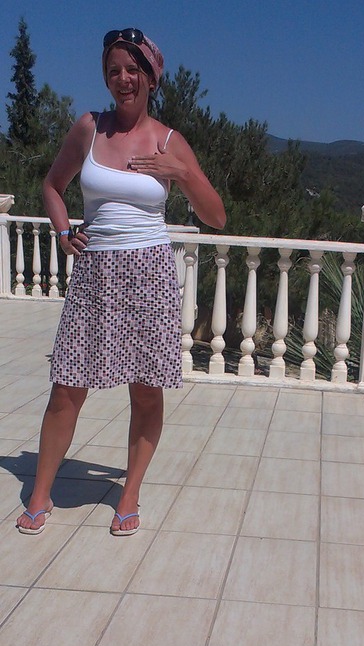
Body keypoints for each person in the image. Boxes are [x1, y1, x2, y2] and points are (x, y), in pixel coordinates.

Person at [16, 28, 225, 536]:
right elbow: (52, 185)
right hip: (95, 275)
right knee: (68, 386)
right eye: (114, 70)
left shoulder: (170, 141)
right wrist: (62, 230)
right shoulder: (89, 128)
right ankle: (41, 493)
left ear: (151, 78)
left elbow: (216, 216)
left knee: (146, 392)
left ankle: (129, 494)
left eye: (133, 70)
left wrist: (182, 173)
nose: (123, 79)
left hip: (150, 275)